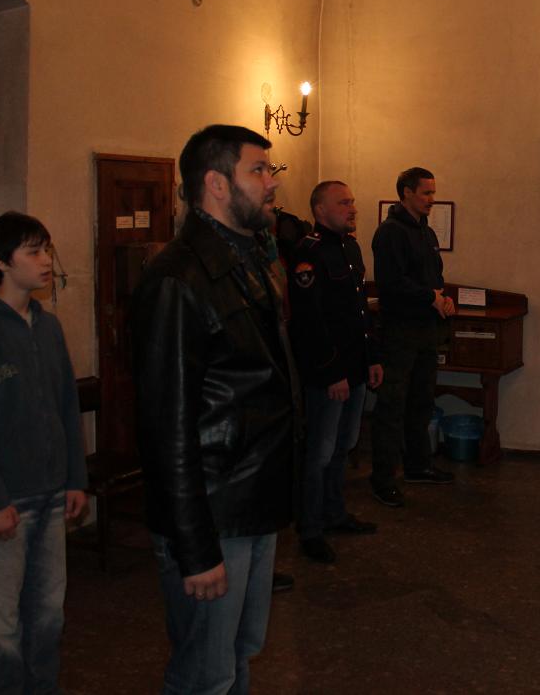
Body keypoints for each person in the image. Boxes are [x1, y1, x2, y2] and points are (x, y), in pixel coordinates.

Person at [130, 125, 296, 693]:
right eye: (258, 170)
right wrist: (195, 547)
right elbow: (165, 428)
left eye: (270, 170)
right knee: (204, 674)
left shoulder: (245, 260)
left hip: (251, 501)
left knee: (239, 656)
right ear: (216, 184)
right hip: (213, 512)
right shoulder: (178, 279)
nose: (271, 183)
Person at [0, 211, 88, 694]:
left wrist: (75, 479)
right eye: (34, 251)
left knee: (48, 611)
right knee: (1, 622)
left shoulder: (48, 328)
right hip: (6, 500)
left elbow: (66, 406)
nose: (46, 261)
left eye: (47, 249)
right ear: (1, 262)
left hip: (51, 494)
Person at [288, 180, 383, 563]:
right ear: (320, 210)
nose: (352, 208)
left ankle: (334, 513)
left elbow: (360, 310)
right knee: (320, 452)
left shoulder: (350, 247)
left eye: (352, 202)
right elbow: (309, 321)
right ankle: (310, 529)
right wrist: (332, 373)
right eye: (343, 203)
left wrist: (372, 358)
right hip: (329, 372)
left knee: (344, 446)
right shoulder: (308, 253)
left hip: (355, 366)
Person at [369, 167, 456, 506]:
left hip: (426, 328)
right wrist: (428, 296)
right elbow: (391, 284)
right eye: (426, 193)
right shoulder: (390, 232)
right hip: (400, 330)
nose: (432, 199)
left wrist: (442, 297)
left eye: (433, 193)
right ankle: (383, 479)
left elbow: (434, 276)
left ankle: (418, 465)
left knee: (422, 401)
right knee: (392, 405)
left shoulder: (426, 232)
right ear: (406, 192)